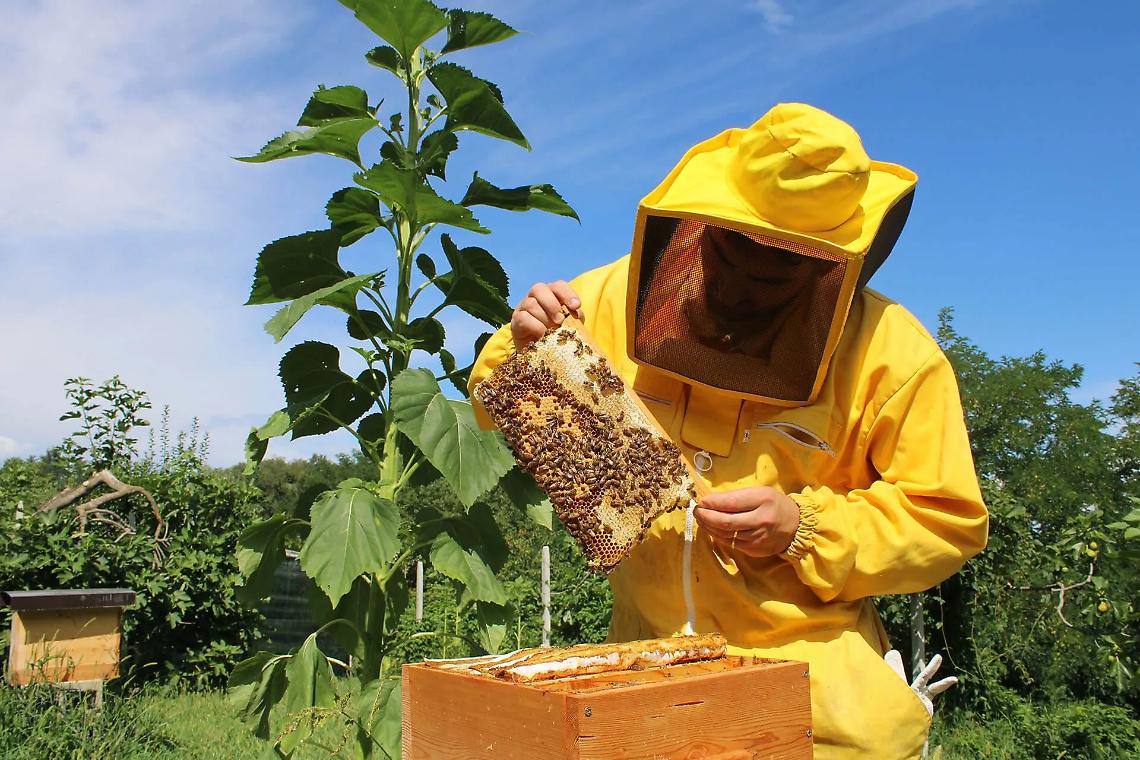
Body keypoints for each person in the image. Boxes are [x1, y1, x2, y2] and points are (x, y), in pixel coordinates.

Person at [468, 102, 988, 758]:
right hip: (644, 686)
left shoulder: (893, 353)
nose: (739, 288)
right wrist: (527, 346)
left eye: (771, 273)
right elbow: (495, 405)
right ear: (704, 222)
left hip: (815, 708)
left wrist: (804, 527)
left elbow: (945, 520)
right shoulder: (608, 298)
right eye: (729, 251)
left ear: (825, 266)